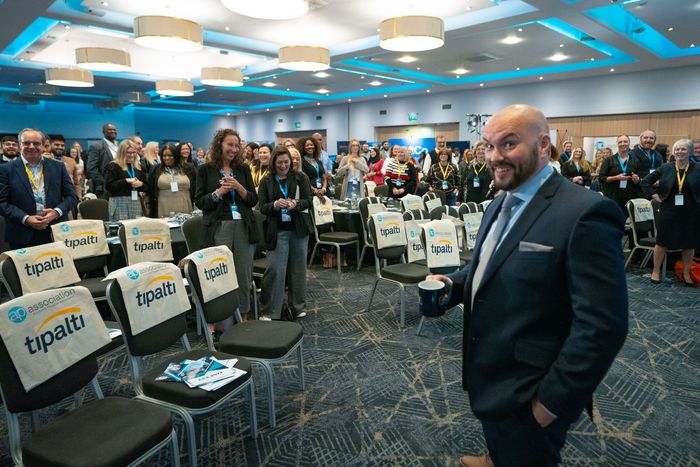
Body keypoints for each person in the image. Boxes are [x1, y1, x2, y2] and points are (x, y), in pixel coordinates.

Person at [426, 104, 628, 467]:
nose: (494, 157)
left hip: (533, 387)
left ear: (544, 146)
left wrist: (550, 405)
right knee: (503, 442)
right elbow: (489, 264)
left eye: (508, 144)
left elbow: (603, 326)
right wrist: (453, 284)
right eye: (488, 146)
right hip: (492, 370)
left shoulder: (585, 212)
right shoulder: (497, 204)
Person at [195, 128, 258, 323]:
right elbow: (200, 201)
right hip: (219, 225)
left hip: (243, 226)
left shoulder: (243, 169)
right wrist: (219, 192)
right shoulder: (205, 170)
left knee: (243, 274)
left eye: (237, 146)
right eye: (230, 144)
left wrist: (239, 187)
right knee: (219, 275)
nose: (233, 149)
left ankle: (243, 316)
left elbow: (252, 199)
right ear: (219, 145)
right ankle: (217, 321)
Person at [258, 146, 314, 320]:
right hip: (277, 231)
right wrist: (275, 205)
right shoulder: (266, 181)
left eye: (286, 162)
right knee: (275, 270)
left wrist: (295, 204)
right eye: (280, 162)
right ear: (273, 163)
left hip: (299, 231)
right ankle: (270, 310)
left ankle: (298, 307)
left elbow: (308, 201)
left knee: (298, 271)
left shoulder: (300, 177)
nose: (283, 166)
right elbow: (262, 207)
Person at [0, 128, 78, 249]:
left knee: (58, 267)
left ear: (43, 146)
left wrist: (56, 212)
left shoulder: (58, 167)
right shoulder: (5, 170)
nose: (31, 146)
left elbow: (72, 197)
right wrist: (26, 218)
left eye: (36, 143)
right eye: (26, 143)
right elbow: (2, 203)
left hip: (55, 231)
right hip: (22, 233)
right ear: (20, 145)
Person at [641, 139, 700, 286]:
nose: (680, 152)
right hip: (668, 211)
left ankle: (686, 273)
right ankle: (656, 271)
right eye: (677, 149)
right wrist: (655, 197)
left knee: (689, 244)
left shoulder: (698, 168)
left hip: (691, 211)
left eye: (683, 149)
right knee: (662, 242)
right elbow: (645, 182)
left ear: (690, 152)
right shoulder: (666, 168)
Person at [104, 139, 147, 221]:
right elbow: (109, 186)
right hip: (119, 203)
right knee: (121, 229)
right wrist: (126, 181)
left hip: (135, 202)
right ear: (122, 153)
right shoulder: (113, 166)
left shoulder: (138, 167)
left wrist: (141, 184)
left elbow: (147, 186)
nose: (132, 155)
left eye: (134, 152)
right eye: (128, 153)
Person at [148, 143, 195, 217]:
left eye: (170, 155)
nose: (167, 158)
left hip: (185, 207)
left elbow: (196, 187)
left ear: (176, 155)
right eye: (164, 156)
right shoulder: (155, 169)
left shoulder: (189, 168)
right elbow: (150, 191)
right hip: (163, 209)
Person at [598, 135, 640, 217]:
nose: (623, 144)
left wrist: (636, 179)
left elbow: (638, 179)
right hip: (612, 196)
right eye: (620, 142)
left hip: (629, 197)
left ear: (629, 143)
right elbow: (601, 178)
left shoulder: (635, 160)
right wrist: (617, 178)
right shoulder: (609, 160)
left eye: (625, 141)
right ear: (617, 144)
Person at [86, 123, 118, 198]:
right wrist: (105, 182)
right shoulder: (96, 146)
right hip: (104, 189)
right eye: (110, 130)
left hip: (119, 187)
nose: (113, 131)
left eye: (114, 130)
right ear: (104, 132)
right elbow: (91, 168)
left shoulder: (119, 146)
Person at [298, 136, 328, 200]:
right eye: (307, 145)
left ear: (315, 146)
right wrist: (315, 190)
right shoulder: (301, 161)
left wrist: (324, 188)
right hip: (310, 193)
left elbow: (324, 178)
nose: (310, 147)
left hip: (323, 191)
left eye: (311, 145)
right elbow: (304, 180)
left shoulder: (318, 161)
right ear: (303, 148)